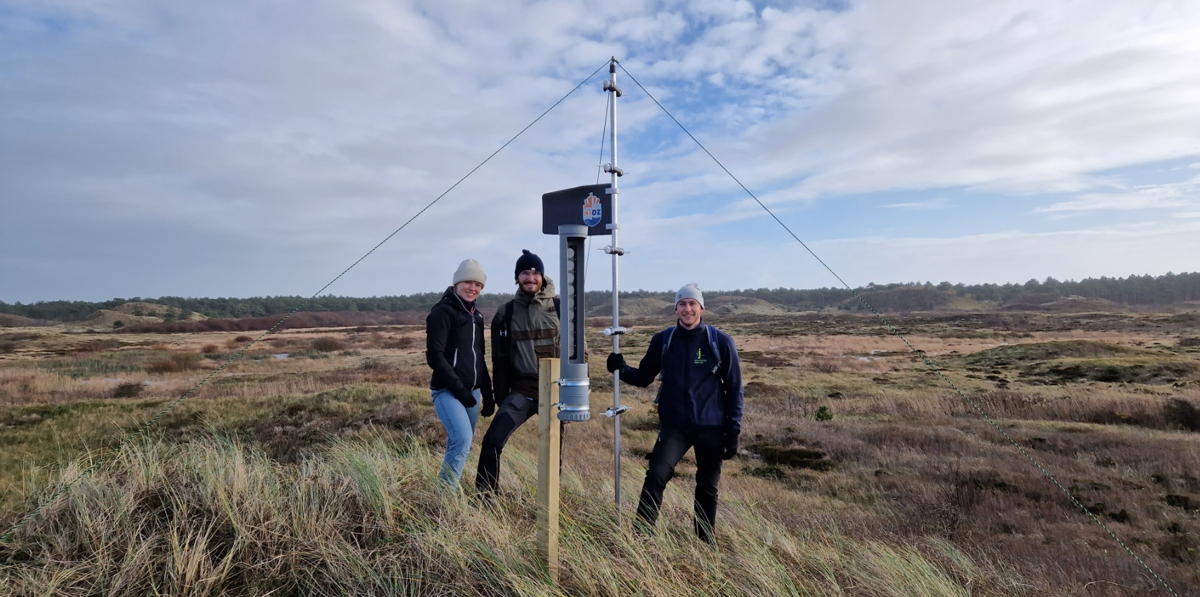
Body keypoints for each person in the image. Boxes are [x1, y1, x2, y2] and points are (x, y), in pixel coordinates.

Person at [606, 283, 743, 543]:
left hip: (711, 428)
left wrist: (733, 430)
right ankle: (641, 538)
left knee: (707, 487)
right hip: (675, 427)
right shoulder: (664, 340)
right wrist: (621, 369)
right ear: (676, 308)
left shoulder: (720, 341)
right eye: (682, 304)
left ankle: (705, 543)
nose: (687, 309)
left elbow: (735, 389)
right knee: (656, 474)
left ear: (701, 307)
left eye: (692, 304)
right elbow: (645, 377)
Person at [475, 249, 560, 497]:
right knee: (492, 441)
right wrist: (499, 395)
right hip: (522, 391)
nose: (530, 278)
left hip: (556, 389)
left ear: (542, 277)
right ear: (517, 277)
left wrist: (577, 390)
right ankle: (485, 498)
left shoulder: (561, 307)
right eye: (525, 273)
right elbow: (499, 358)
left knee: (554, 453)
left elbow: (579, 353)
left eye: (535, 273)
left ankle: (550, 503)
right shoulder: (506, 312)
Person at [426, 258, 493, 490]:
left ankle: (447, 486)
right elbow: (435, 356)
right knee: (462, 439)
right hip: (447, 391)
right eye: (467, 282)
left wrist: (488, 392)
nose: (472, 288)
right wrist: (460, 390)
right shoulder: (443, 312)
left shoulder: (477, 316)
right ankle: (444, 498)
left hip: (472, 393)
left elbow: (479, 356)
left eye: (478, 284)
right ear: (456, 283)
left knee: (461, 444)